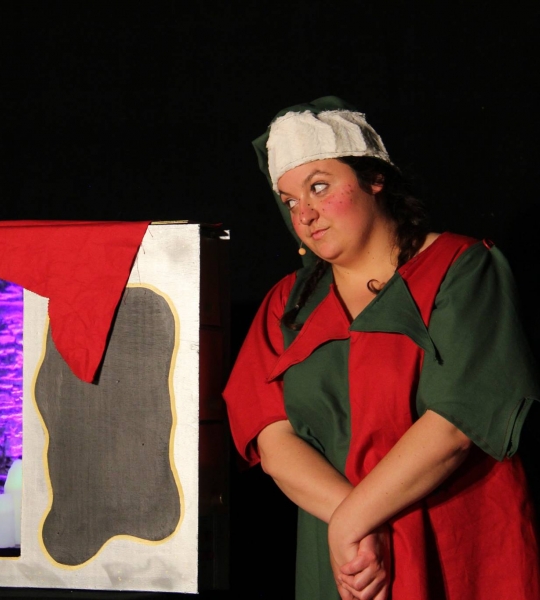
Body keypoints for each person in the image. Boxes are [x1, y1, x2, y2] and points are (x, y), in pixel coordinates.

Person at [223, 96, 540, 599]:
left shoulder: (461, 269)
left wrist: (353, 522)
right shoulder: (287, 303)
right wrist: (350, 526)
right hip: (348, 561)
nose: (305, 213)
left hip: (451, 543)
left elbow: (456, 423)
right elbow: (271, 436)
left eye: (319, 187)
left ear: (374, 179)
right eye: (290, 200)